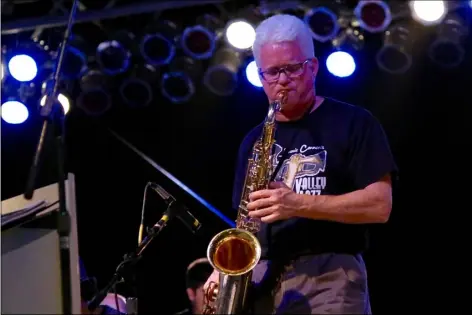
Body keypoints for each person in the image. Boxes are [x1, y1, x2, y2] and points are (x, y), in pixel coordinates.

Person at [204, 14, 398, 314]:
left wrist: (298, 204)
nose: (282, 80)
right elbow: (246, 221)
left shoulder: (355, 122)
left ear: (314, 67)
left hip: (330, 273)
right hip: (264, 276)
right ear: (260, 75)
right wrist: (224, 268)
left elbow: (379, 206)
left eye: (292, 69)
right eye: (273, 72)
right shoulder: (253, 140)